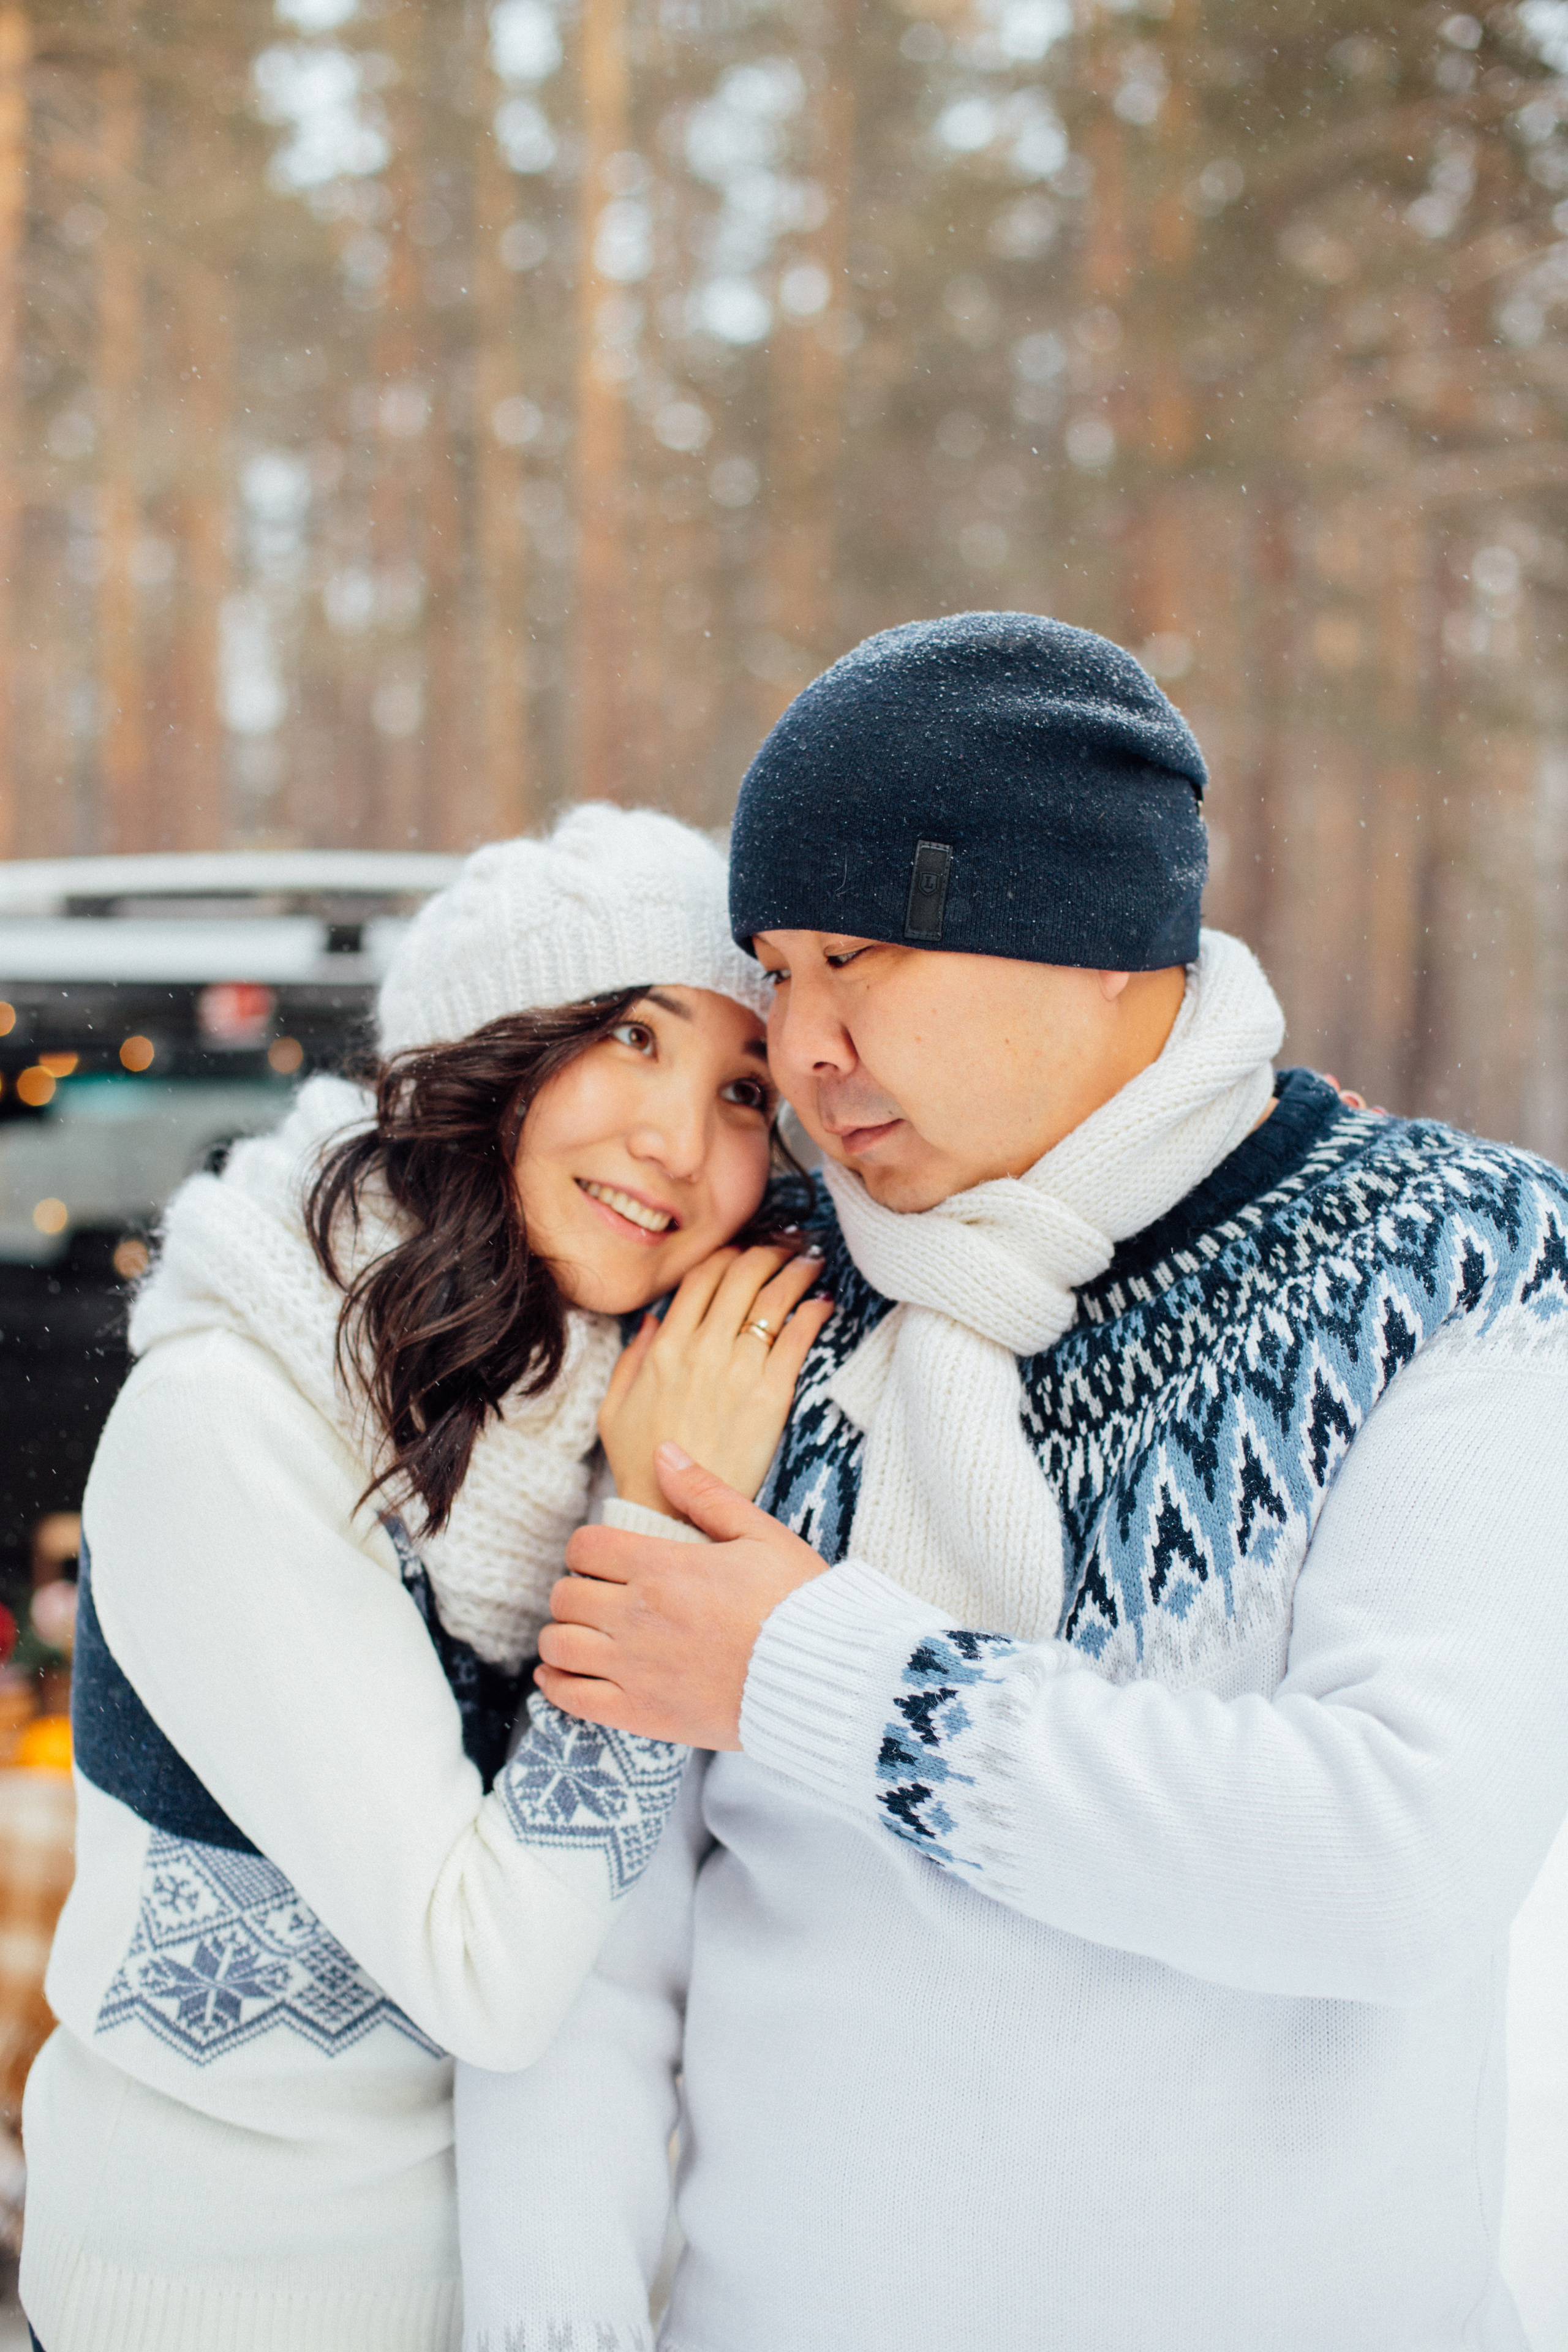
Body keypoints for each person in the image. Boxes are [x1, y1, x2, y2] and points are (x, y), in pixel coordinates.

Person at [456, 616, 1568, 2352]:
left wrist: (819, 1676)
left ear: (1098, 942)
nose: (803, 1046)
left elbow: (1388, 1863)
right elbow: (595, 1954)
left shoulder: (1439, 1265)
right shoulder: (761, 1299)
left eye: (862, 956)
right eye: (776, 969)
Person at [19, 804, 831, 2352]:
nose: (680, 1139)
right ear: (487, 1059)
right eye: (630, 1039)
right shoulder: (235, 1416)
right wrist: (658, 1545)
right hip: (222, 2311)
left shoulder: (625, 1394)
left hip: (540, 2296)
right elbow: (487, 1974)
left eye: (743, 1091)